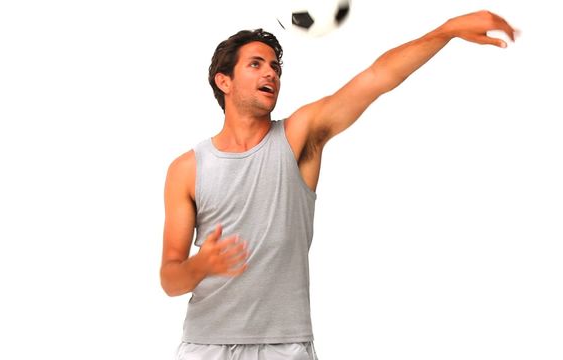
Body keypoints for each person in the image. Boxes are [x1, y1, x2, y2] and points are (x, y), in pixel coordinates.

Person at [160, 10, 516, 360]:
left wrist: (446, 30)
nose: (271, 72)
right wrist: (201, 265)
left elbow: (377, 77)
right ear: (225, 81)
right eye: (256, 64)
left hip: (285, 346)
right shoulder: (187, 169)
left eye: (275, 67)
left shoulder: (299, 136)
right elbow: (170, 279)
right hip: (205, 345)